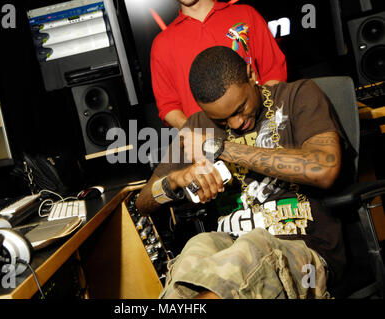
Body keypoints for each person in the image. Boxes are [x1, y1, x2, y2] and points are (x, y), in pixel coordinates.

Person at [136, 46, 347, 299]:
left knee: (252, 248)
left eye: (239, 109)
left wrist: (220, 147)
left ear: (250, 74)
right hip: (228, 247)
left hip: (305, 253)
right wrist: (175, 180)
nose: (236, 123)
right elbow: (144, 202)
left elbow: (324, 168)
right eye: (222, 121)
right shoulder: (197, 127)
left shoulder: (297, 95)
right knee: (194, 252)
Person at [150, 0, 287, 129]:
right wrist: (203, 138)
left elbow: (273, 71)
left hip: (264, 129)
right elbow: (168, 106)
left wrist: (264, 119)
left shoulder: (245, 14)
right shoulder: (162, 44)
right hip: (212, 147)